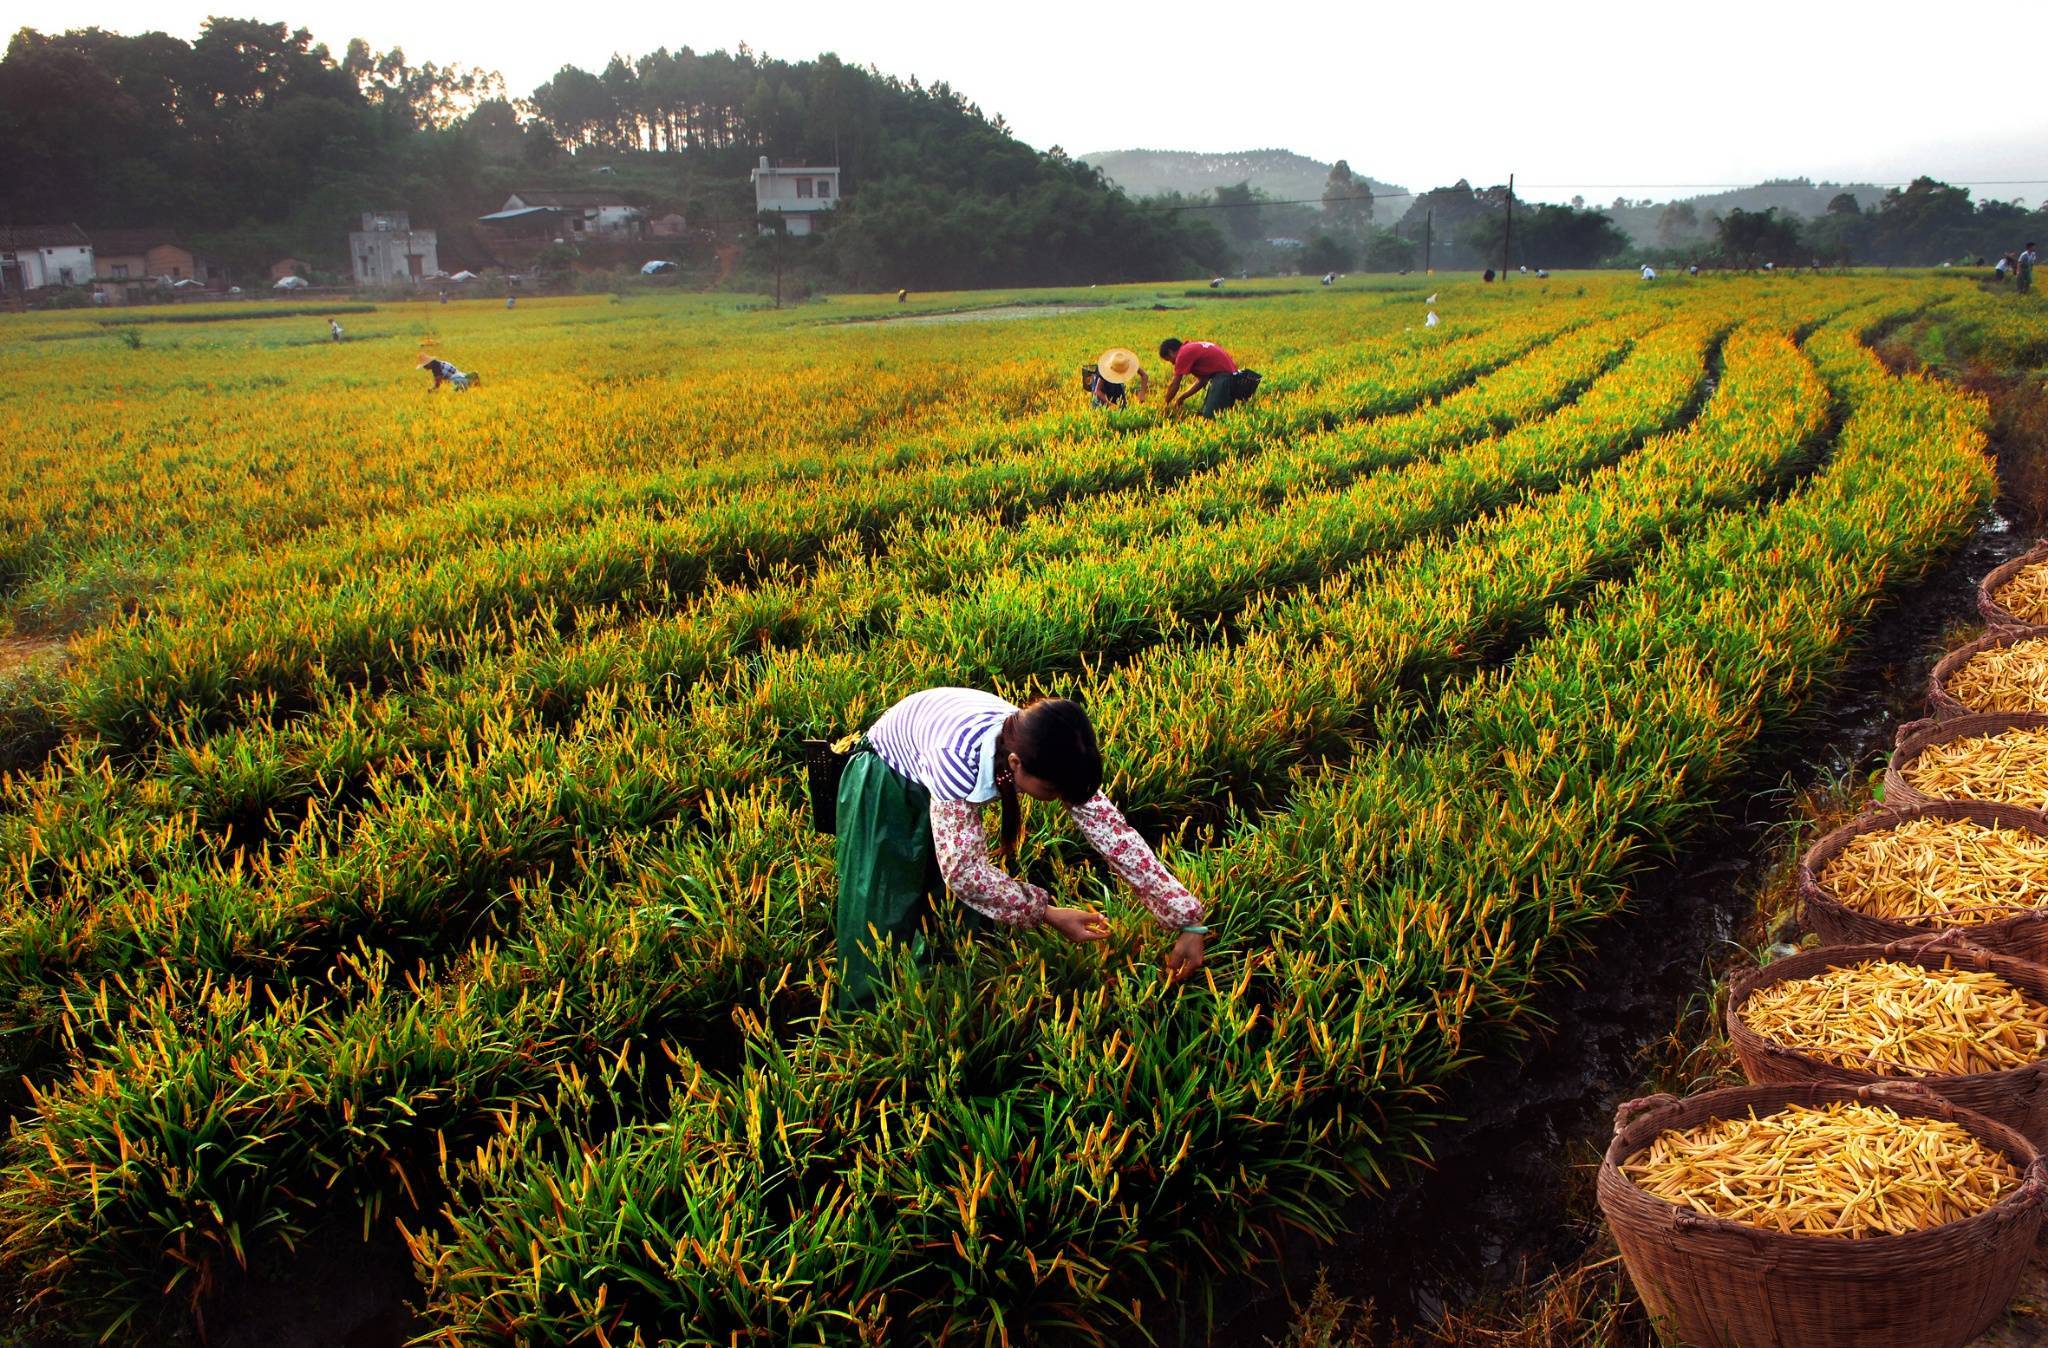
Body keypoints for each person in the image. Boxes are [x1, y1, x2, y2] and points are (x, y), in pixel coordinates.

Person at [833, 690, 1208, 1008]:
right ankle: (866, 1017)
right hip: (884, 774)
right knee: (881, 903)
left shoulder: (1043, 745)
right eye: (1052, 792)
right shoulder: (960, 760)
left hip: (931, 749)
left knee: (945, 905)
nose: (1058, 800)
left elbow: (1117, 838)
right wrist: (1047, 912)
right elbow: (964, 872)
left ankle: (941, 987)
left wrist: (1187, 920)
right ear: (1015, 764)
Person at [1159, 336, 1252, 418]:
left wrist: (1164, 404)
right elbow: (1202, 381)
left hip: (1224, 379)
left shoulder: (1183, 354)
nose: (1172, 363)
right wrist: (1182, 397)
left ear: (1170, 352)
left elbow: (1175, 384)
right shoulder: (1191, 348)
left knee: (1210, 418)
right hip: (1230, 378)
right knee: (1218, 414)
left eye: (1169, 360)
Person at [1085, 347, 1149, 407]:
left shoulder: (1126, 362)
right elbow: (1098, 391)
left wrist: (1142, 393)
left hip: (1117, 388)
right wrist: (1109, 404)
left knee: (1122, 407)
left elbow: (1145, 376)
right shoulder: (1104, 371)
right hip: (1102, 392)